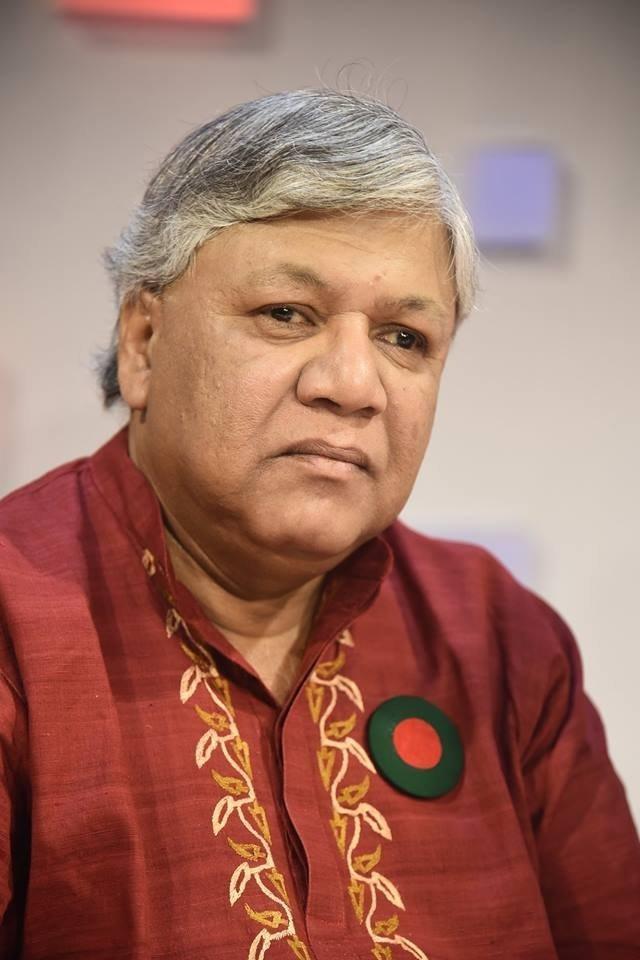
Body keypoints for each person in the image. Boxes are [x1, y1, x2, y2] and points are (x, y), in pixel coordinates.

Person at [0, 89, 638, 960]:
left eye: (404, 337)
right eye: (285, 314)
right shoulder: (17, 621)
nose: (352, 384)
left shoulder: (501, 640)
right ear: (143, 342)